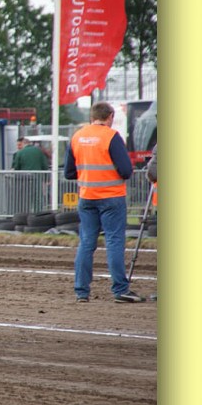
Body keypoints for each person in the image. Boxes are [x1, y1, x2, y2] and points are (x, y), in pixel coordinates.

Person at [65, 102, 141, 303]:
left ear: (91, 117)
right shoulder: (111, 136)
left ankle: (81, 291)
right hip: (111, 197)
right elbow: (126, 170)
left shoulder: (77, 136)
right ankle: (120, 290)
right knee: (114, 242)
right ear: (110, 117)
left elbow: (69, 172)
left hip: (87, 197)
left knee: (86, 243)